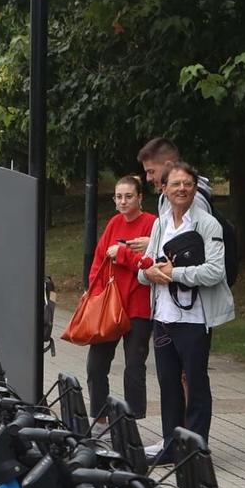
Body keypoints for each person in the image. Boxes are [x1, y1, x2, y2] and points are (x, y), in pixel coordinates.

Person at [141, 161, 233, 457]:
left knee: (195, 383)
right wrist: (149, 273)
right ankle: (172, 445)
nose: (182, 189)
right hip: (163, 318)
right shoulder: (160, 224)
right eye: (176, 184)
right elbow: (144, 269)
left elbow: (215, 271)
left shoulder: (207, 224)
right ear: (164, 189)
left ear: (195, 189)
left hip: (194, 320)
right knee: (168, 384)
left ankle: (195, 449)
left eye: (188, 184)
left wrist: (175, 273)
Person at [84, 174, 157, 425]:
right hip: (110, 306)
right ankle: (100, 418)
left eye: (128, 196)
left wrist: (123, 254)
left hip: (138, 307)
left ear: (140, 198)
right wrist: (95, 293)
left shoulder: (152, 224)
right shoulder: (114, 223)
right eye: (118, 197)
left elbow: (150, 263)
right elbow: (99, 260)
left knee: (134, 366)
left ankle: (131, 421)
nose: (123, 201)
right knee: (96, 365)